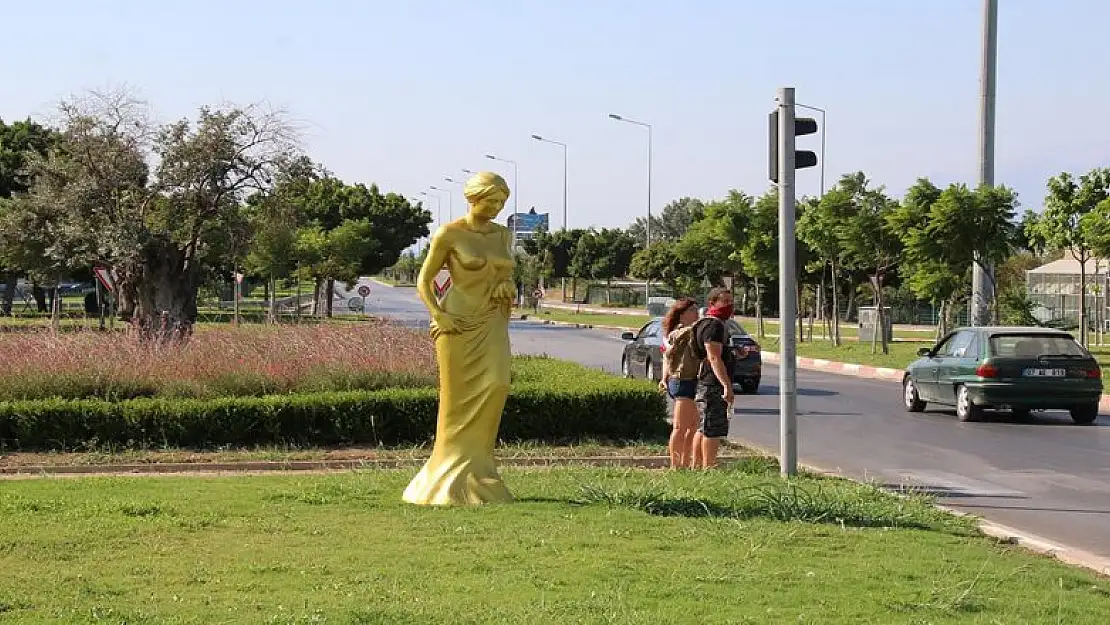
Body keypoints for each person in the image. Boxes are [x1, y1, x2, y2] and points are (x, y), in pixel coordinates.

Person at [403, 171, 518, 506]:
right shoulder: (449, 234)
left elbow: (504, 274)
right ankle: (447, 477)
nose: (496, 207)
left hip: (492, 319)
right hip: (457, 324)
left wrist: (506, 286)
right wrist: (439, 315)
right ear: (473, 198)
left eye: (501, 202)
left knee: (498, 384)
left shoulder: (502, 235)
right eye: (491, 200)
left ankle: (480, 468)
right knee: (454, 402)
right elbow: (424, 282)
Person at [690, 288, 736, 469]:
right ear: (712, 303)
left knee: (704, 427)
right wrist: (726, 385)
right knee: (712, 428)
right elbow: (713, 356)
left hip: (707, 381)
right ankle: (708, 467)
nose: (729, 305)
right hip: (712, 384)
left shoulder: (707, 323)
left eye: (731, 301)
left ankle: (698, 466)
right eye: (724, 301)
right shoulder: (714, 326)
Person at [659, 297, 701, 469]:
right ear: (681, 315)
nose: (696, 313)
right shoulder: (679, 332)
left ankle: (685, 463)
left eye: (697, 309)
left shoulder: (695, 331)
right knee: (680, 427)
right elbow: (667, 356)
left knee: (693, 427)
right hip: (682, 381)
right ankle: (675, 465)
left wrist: (663, 378)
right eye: (692, 310)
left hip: (694, 380)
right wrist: (665, 378)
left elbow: (666, 359)